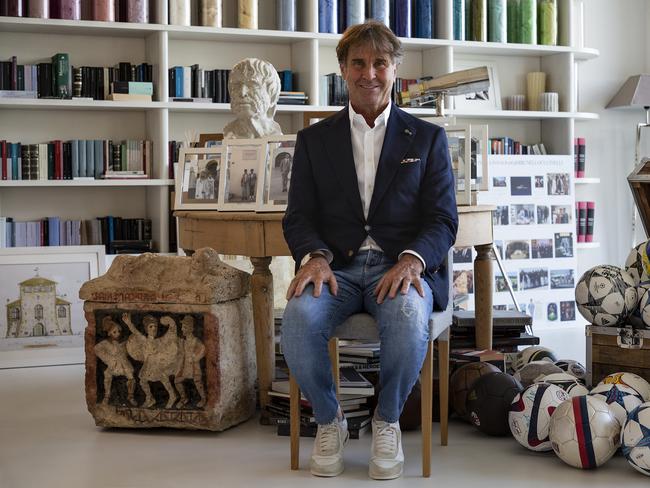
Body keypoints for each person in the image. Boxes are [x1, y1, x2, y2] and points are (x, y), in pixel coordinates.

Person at [281, 21, 458, 480]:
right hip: (334, 268)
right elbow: (298, 215)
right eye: (358, 62)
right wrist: (314, 256)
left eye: (380, 62)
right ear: (343, 69)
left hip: (398, 268)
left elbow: (442, 220)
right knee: (297, 322)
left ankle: (386, 420)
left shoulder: (427, 138)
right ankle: (329, 420)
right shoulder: (313, 140)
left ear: (395, 68)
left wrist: (412, 259)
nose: (370, 73)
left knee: (407, 317)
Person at [223, 58, 282, 139]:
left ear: (271, 95)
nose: (242, 93)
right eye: (236, 86)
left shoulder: (275, 136)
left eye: (252, 85)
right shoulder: (229, 133)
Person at [94, 316, 135, 406]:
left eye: (119, 331)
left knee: (131, 377)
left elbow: (129, 348)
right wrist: (109, 359)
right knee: (107, 375)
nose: (118, 334)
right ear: (109, 333)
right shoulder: (105, 343)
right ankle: (107, 395)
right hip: (113, 364)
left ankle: (131, 396)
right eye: (114, 332)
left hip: (124, 364)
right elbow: (97, 349)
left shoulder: (123, 343)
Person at [174, 315, 206, 408]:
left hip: (194, 366)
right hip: (185, 366)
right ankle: (184, 398)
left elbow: (203, 349)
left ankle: (203, 398)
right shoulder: (183, 341)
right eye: (182, 327)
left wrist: (195, 357)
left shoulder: (195, 340)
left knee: (198, 381)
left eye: (184, 327)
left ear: (191, 329)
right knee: (177, 381)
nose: (182, 329)